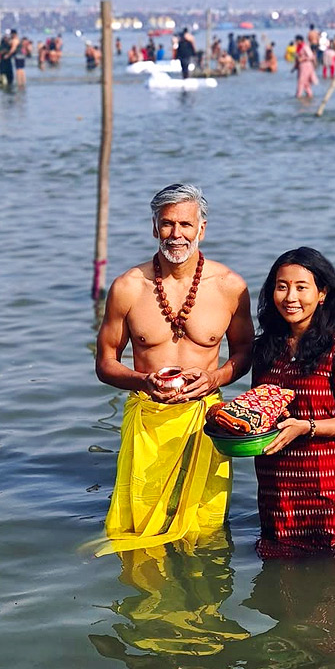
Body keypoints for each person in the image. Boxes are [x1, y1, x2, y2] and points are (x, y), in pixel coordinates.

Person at [94, 183, 254, 555]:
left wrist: (215, 378)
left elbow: (245, 353)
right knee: (140, 530)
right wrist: (142, 381)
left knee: (205, 532)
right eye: (167, 224)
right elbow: (104, 363)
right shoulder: (128, 287)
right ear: (154, 227)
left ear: (202, 228)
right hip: (149, 422)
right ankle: (147, 606)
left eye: (185, 224)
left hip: (206, 421)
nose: (176, 234)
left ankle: (201, 605)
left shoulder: (230, 286)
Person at [251, 246, 335, 559]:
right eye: (282, 287)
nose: (290, 297)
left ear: (322, 294)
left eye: (301, 287)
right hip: (277, 495)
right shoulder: (267, 349)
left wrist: (306, 427)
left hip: (329, 495)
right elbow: (261, 406)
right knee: (279, 596)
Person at [293, 33, 318, 98]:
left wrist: (303, 59)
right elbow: (297, 58)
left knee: (301, 81)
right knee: (306, 83)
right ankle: (309, 95)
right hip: (301, 66)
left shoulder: (305, 47)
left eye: (296, 40)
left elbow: (311, 56)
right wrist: (295, 67)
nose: (296, 42)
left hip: (306, 66)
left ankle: (298, 95)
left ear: (300, 40)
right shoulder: (298, 48)